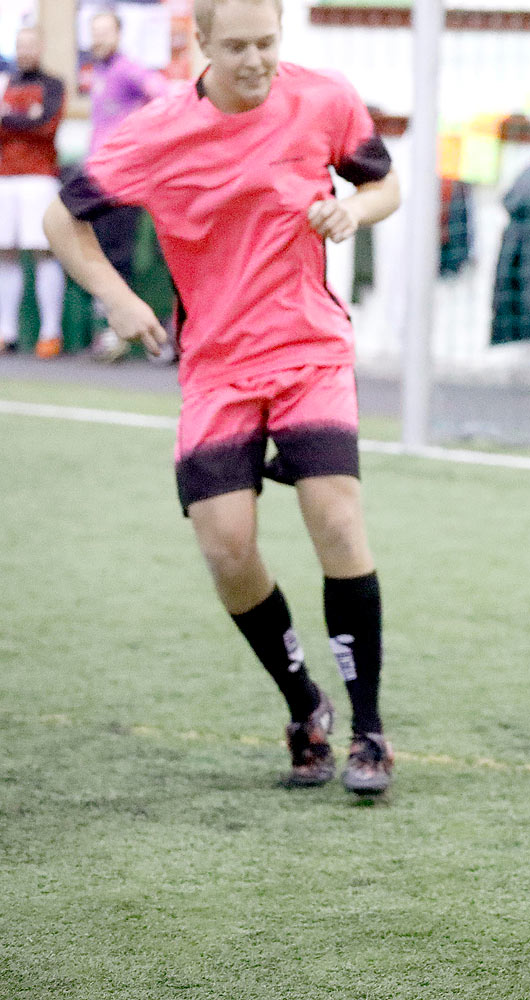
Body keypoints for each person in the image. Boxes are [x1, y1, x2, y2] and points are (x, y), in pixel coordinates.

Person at [43, 0, 402, 794]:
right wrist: (114, 297)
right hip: (215, 365)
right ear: (199, 45)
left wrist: (353, 208)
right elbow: (60, 219)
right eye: (236, 46)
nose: (255, 61)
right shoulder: (156, 131)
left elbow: (385, 185)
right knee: (226, 546)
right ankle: (305, 706)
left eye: (267, 43)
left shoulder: (325, 97)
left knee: (336, 517)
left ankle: (369, 731)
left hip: (309, 348)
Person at [84, 7, 169, 363]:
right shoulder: (97, 72)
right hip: (96, 179)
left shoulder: (128, 69)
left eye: (105, 32)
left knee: (119, 257)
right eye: (95, 32)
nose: (99, 38)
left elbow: (164, 93)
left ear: (119, 35)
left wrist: (143, 142)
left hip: (123, 179)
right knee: (98, 256)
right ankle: (110, 332)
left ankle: (135, 336)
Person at [0, 25, 65, 357]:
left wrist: (10, 118)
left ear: (39, 48)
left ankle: (50, 333)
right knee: (5, 255)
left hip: (40, 178)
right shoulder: (5, 83)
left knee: (43, 253)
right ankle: (5, 332)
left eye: (30, 45)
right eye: (19, 45)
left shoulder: (53, 85)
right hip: (4, 179)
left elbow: (46, 127)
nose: (25, 51)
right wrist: (26, 117)